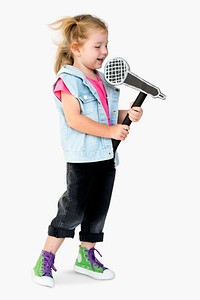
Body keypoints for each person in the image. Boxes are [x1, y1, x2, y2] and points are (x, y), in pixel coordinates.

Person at [32, 14, 143, 288]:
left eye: (106, 45)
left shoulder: (102, 79)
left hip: (107, 156)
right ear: (77, 48)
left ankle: (85, 257)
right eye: (98, 46)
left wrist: (126, 114)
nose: (104, 52)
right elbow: (75, 120)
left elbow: (106, 116)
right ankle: (44, 258)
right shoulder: (67, 81)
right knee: (73, 209)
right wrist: (110, 131)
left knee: (97, 210)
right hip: (83, 158)